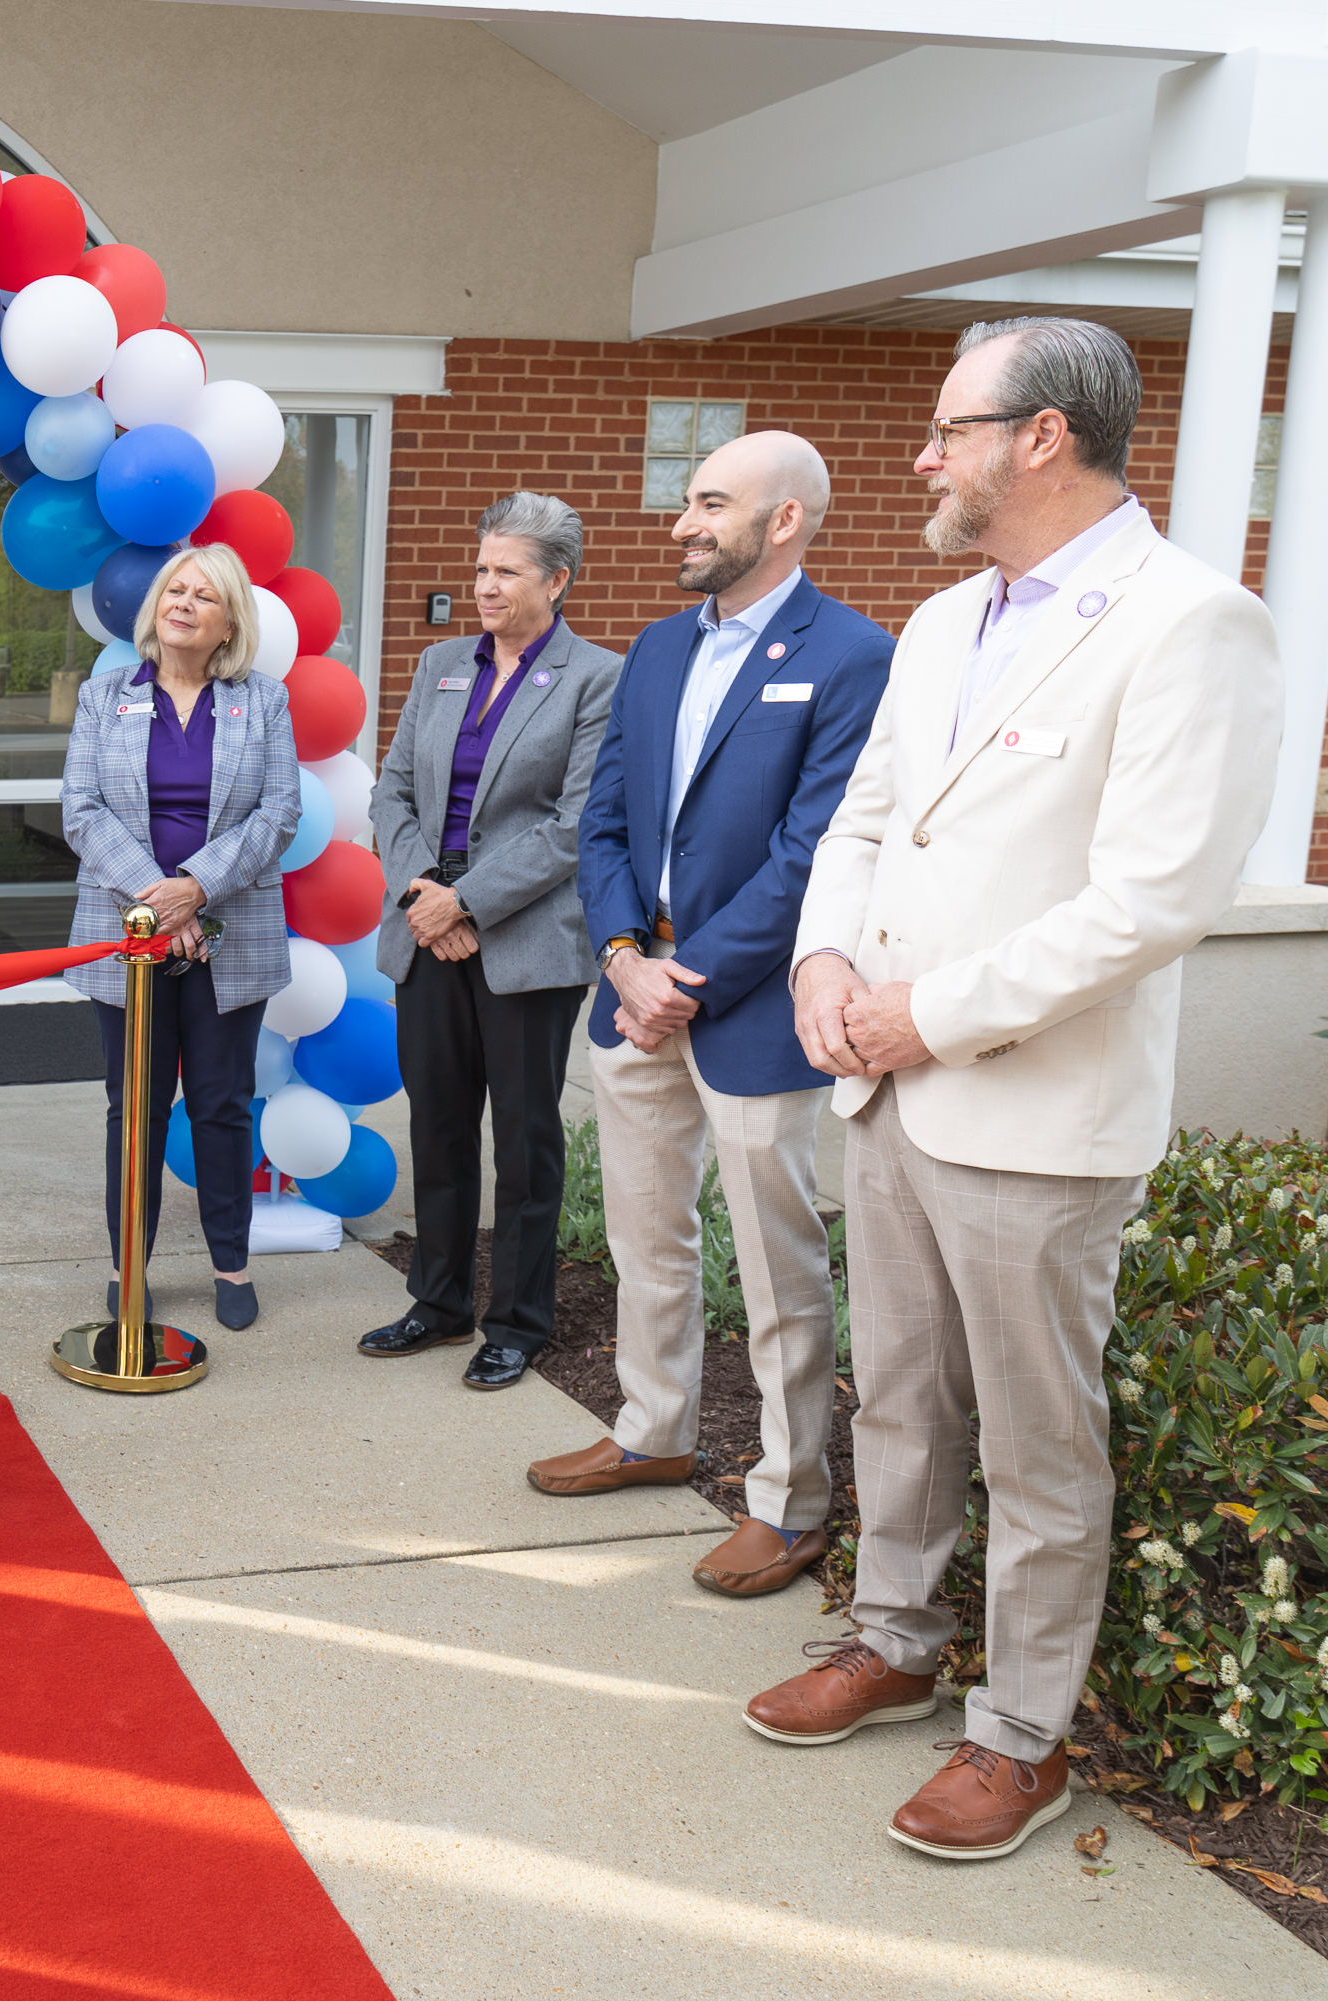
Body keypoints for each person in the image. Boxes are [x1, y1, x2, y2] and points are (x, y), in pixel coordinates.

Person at [742, 319, 1279, 1862]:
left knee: (1038, 1446)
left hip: (1036, 1114)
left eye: (946, 428)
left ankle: (1021, 1733)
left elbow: (1154, 900)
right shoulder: (934, 625)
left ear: (1043, 437)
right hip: (887, 1089)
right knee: (898, 1397)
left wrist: (929, 1013)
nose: (923, 454)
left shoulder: (1191, 623)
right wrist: (826, 971)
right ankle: (897, 1641)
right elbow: (862, 825)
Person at [527, 433, 892, 1600]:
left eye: (709, 503)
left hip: (748, 1009)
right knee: (647, 1236)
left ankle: (792, 1503)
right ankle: (654, 1428)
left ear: (784, 520)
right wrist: (628, 957)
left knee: (780, 1268)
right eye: (687, 502)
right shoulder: (654, 648)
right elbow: (605, 821)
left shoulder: (852, 657)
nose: (682, 523)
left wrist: (694, 979)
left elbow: (818, 851)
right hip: (639, 991)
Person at [357, 494, 622, 1390]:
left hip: (527, 946)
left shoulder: (595, 677)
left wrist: (464, 901)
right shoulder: (439, 663)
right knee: (436, 1125)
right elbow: (389, 791)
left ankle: (516, 1319)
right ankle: (437, 1301)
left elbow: (575, 824)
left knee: (524, 1138)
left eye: (506, 571)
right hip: (427, 930)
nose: (486, 585)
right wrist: (424, 897)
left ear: (558, 579)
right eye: (481, 568)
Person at [59, 546, 299, 1331]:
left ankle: (231, 1264)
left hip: (234, 929)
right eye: (175, 589)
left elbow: (278, 813)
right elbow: (83, 812)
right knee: (134, 1107)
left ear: (229, 620)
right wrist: (162, 903)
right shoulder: (105, 696)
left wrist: (196, 887)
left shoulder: (261, 701)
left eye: (204, 595)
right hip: (123, 930)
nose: (183, 602)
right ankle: (132, 1263)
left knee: (223, 1105)